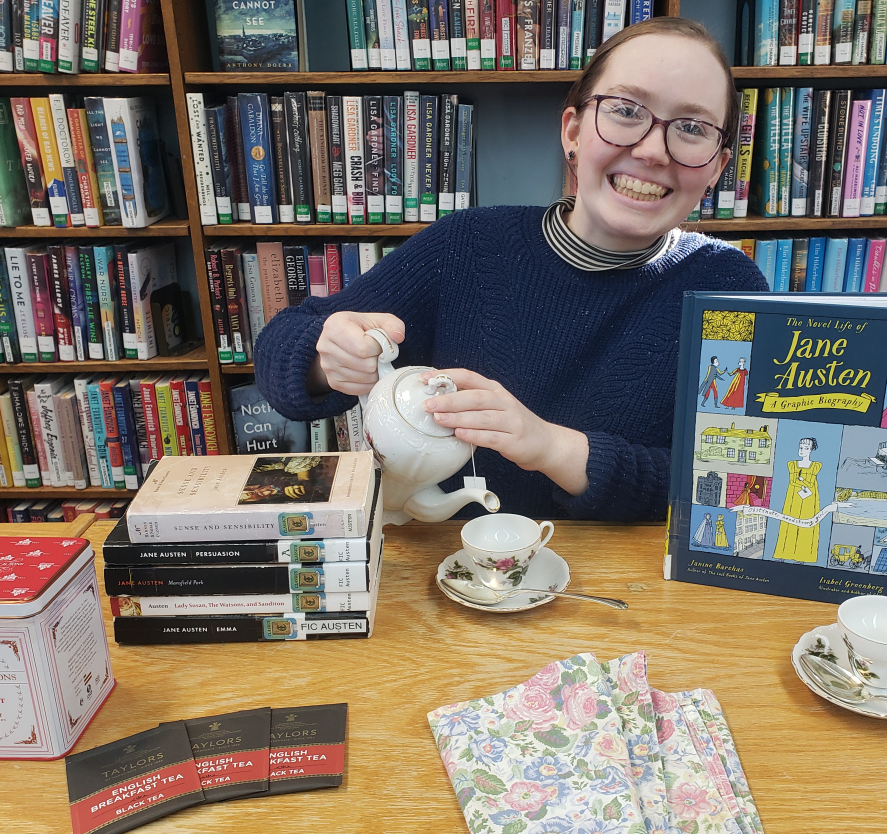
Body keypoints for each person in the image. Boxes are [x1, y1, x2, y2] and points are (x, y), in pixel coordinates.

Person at [255, 18, 768, 521]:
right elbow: (278, 349)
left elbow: (732, 488)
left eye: (692, 128)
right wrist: (329, 359)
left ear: (718, 167)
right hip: (453, 582)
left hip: (636, 591)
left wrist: (551, 448)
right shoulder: (468, 245)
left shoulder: (729, 287)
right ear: (573, 131)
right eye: (626, 111)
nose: (654, 150)